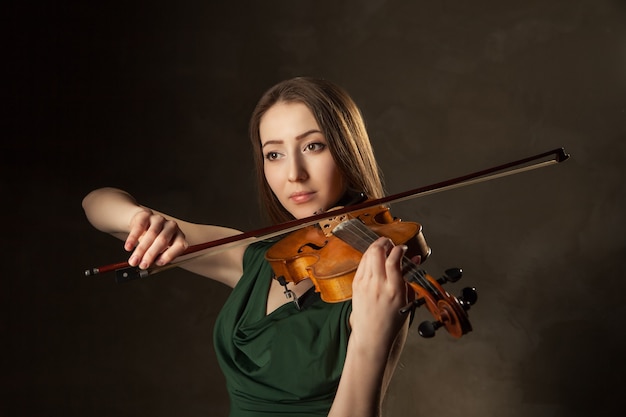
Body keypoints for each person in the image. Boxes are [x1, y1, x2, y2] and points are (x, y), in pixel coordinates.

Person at [82, 77, 415, 417]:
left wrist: (370, 340)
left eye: (313, 146)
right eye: (274, 154)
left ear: (347, 148)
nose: (293, 174)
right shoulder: (256, 258)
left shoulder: (381, 283)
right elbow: (96, 204)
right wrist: (140, 219)